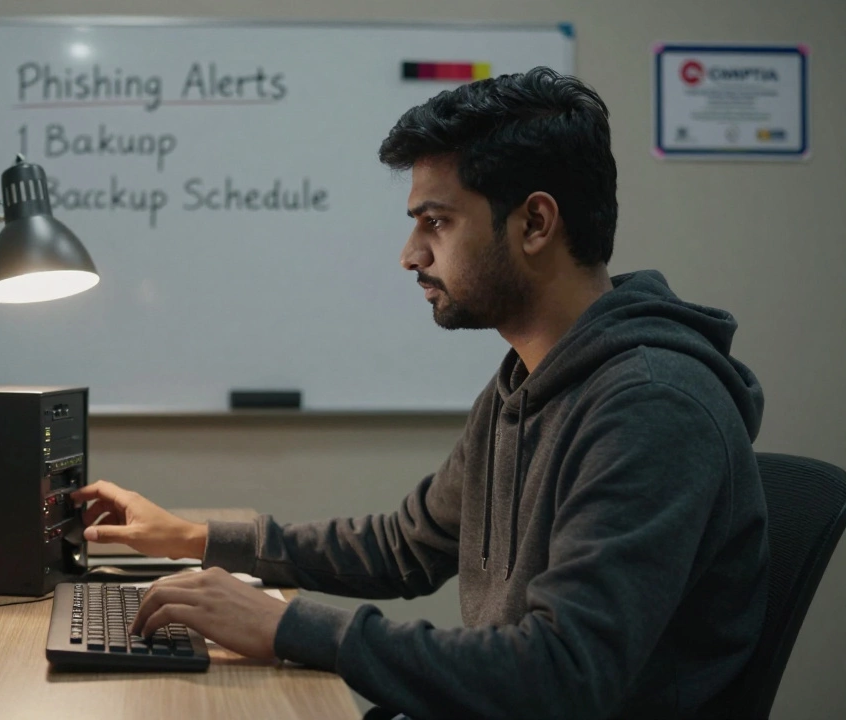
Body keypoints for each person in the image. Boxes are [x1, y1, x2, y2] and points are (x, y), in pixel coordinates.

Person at [72, 67, 768, 720]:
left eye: (436, 221)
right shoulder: (525, 382)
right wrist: (195, 539)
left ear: (535, 223)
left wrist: (286, 626)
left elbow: (563, 671)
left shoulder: (652, 406)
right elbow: (405, 546)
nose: (411, 254)